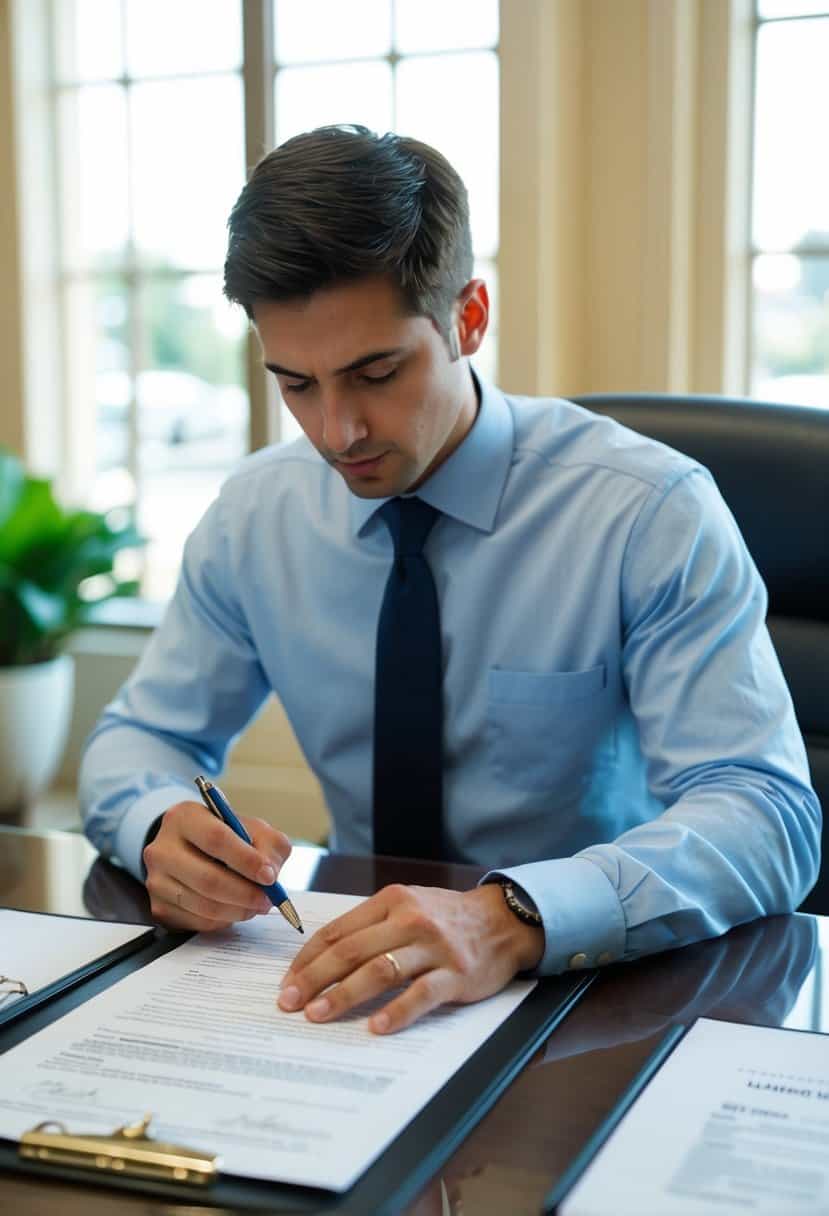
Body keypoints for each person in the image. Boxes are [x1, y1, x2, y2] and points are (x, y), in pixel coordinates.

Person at [81, 125, 821, 1037]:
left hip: (597, 996)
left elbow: (768, 813)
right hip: (356, 989)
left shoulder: (646, 512)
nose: (336, 431)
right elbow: (138, 738)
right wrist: (159, 825)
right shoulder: (254, 516)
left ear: (467, 318)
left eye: (375, 372)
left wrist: (512, 916)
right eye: (295, 384)